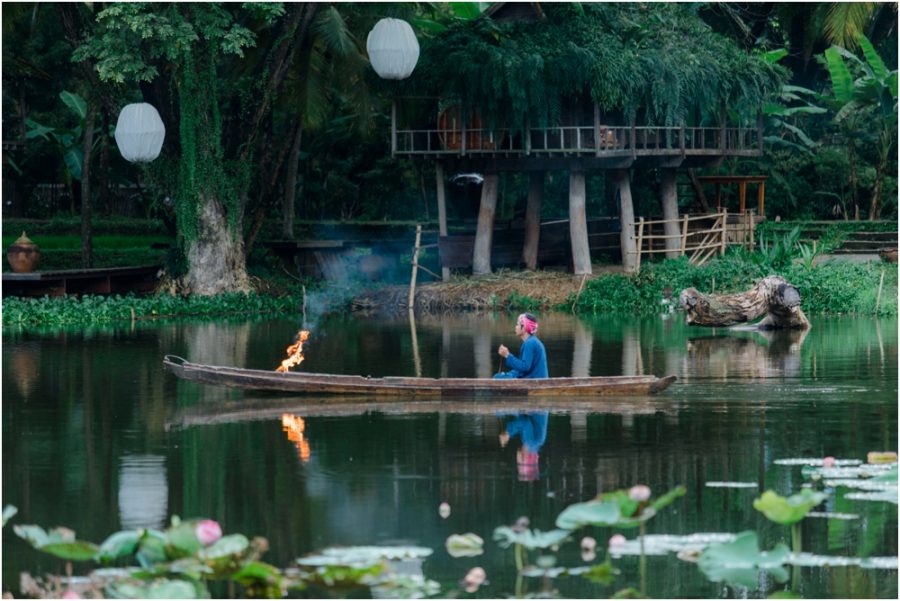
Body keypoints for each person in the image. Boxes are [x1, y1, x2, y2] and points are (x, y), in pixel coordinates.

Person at [493, 313, 548, 379]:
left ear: (524, 327)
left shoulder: (530, 343)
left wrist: (507, 355)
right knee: (500, 376)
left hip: (534, 381)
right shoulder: (532, 341)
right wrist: (509, 374)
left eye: (517, 324)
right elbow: (524, 368)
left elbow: (525, 367)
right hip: (534, 378)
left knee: (497, 377)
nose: (516, 327)